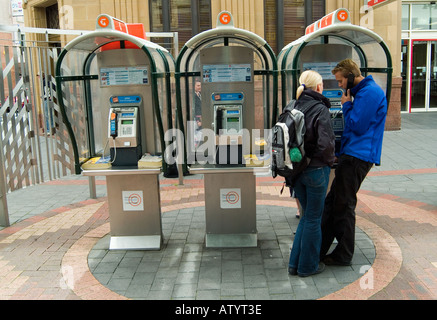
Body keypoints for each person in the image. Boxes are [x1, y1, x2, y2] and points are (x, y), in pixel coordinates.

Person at [320, 59, 387, 266]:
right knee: (333, 202)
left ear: (350, 76)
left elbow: (357, 125)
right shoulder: (362, 92)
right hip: (352, 154)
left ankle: (344, 254)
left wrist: (346, 105)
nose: (339, 85)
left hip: (359, 156)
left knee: (344, 204)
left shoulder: (370, 93)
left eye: (340, 81)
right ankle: (321, 246)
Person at [288, 70, 335, 277]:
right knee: (314, 219)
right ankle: (308, 266)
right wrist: (331, 161)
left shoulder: (292, 105)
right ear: (318, 87)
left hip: (296, 171)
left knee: (306, 217)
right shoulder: (320, 108)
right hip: (316, 170)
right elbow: (325, 144)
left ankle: (294, 264)